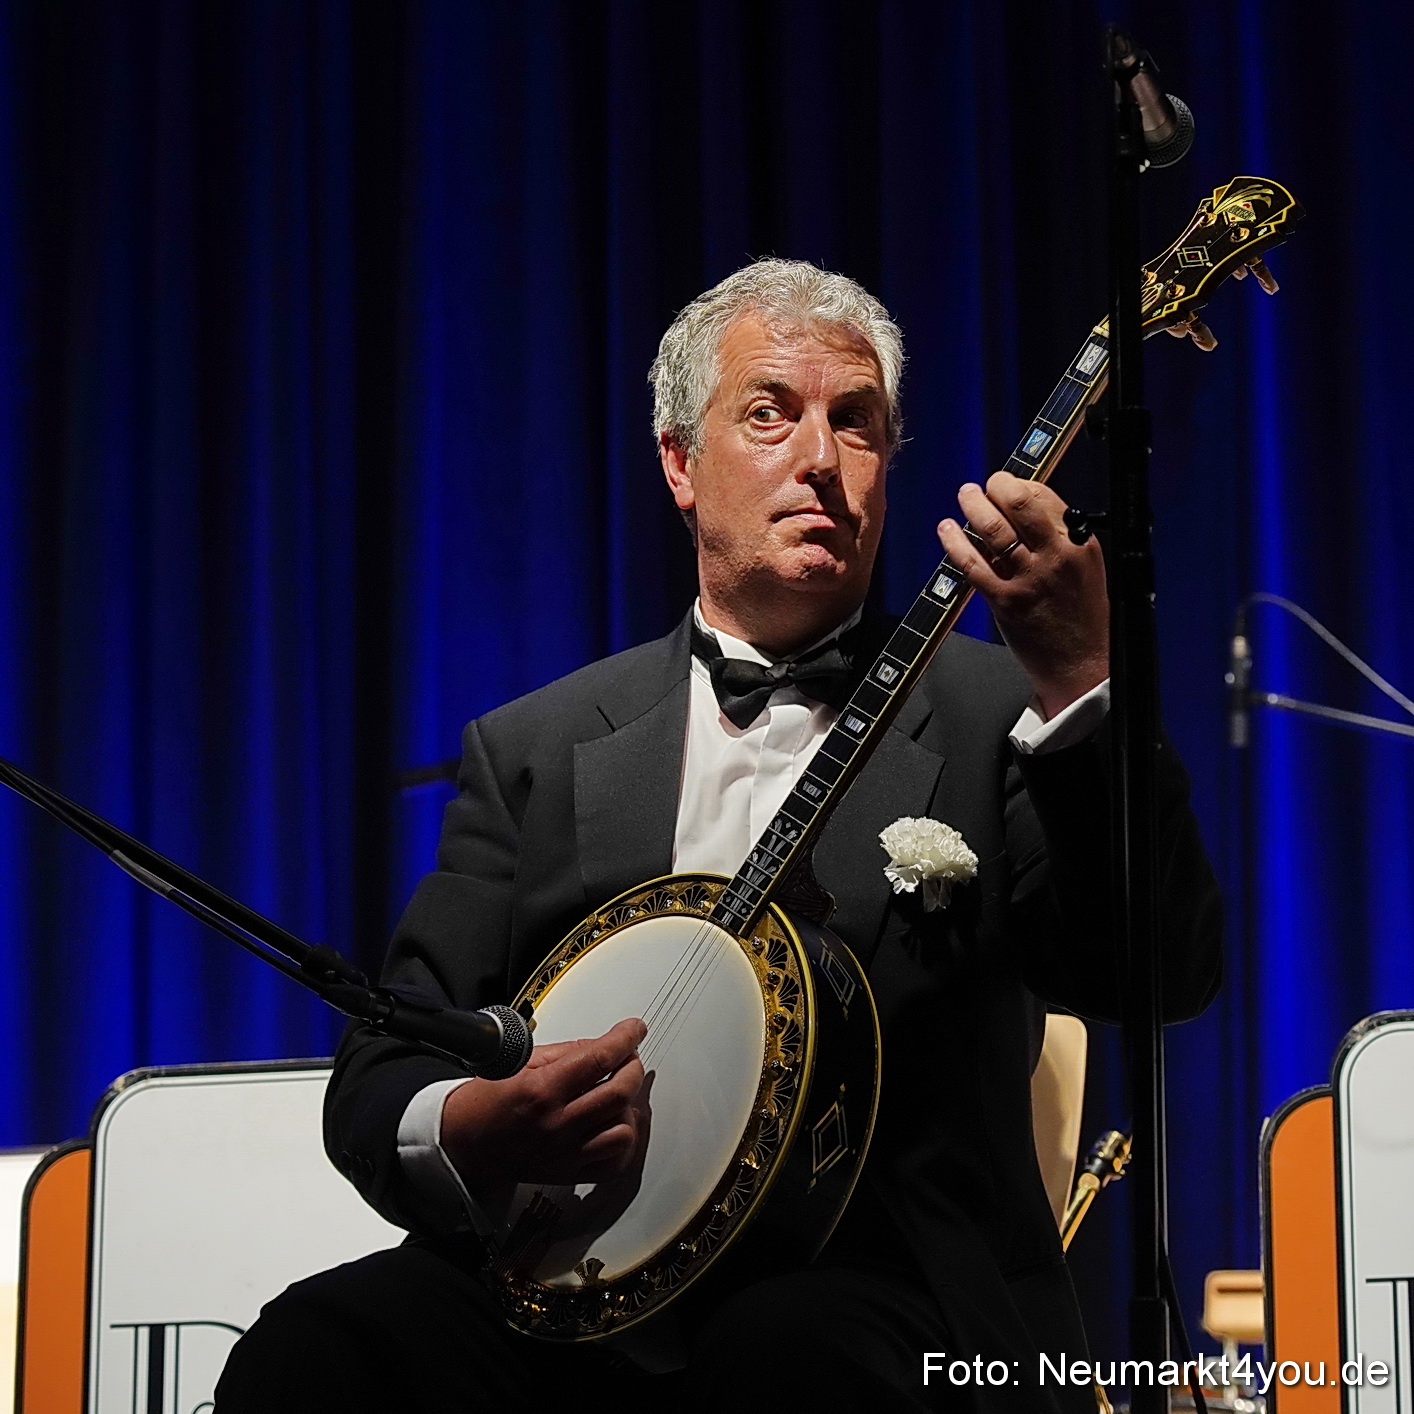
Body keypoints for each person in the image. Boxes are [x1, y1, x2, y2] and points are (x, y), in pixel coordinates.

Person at [216, 259, 1221, 1413]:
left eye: (857, 424)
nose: (819, 459)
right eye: (768, 414)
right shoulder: (536, 744)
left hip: (880, 1298)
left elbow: (1161, 976)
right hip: (568, 1293)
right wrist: (471, 1123)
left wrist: (1082, 685)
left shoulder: (1006, 713)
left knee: (789, 1355)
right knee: (326, 1344)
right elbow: (387, 1065)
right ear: (679, 464)